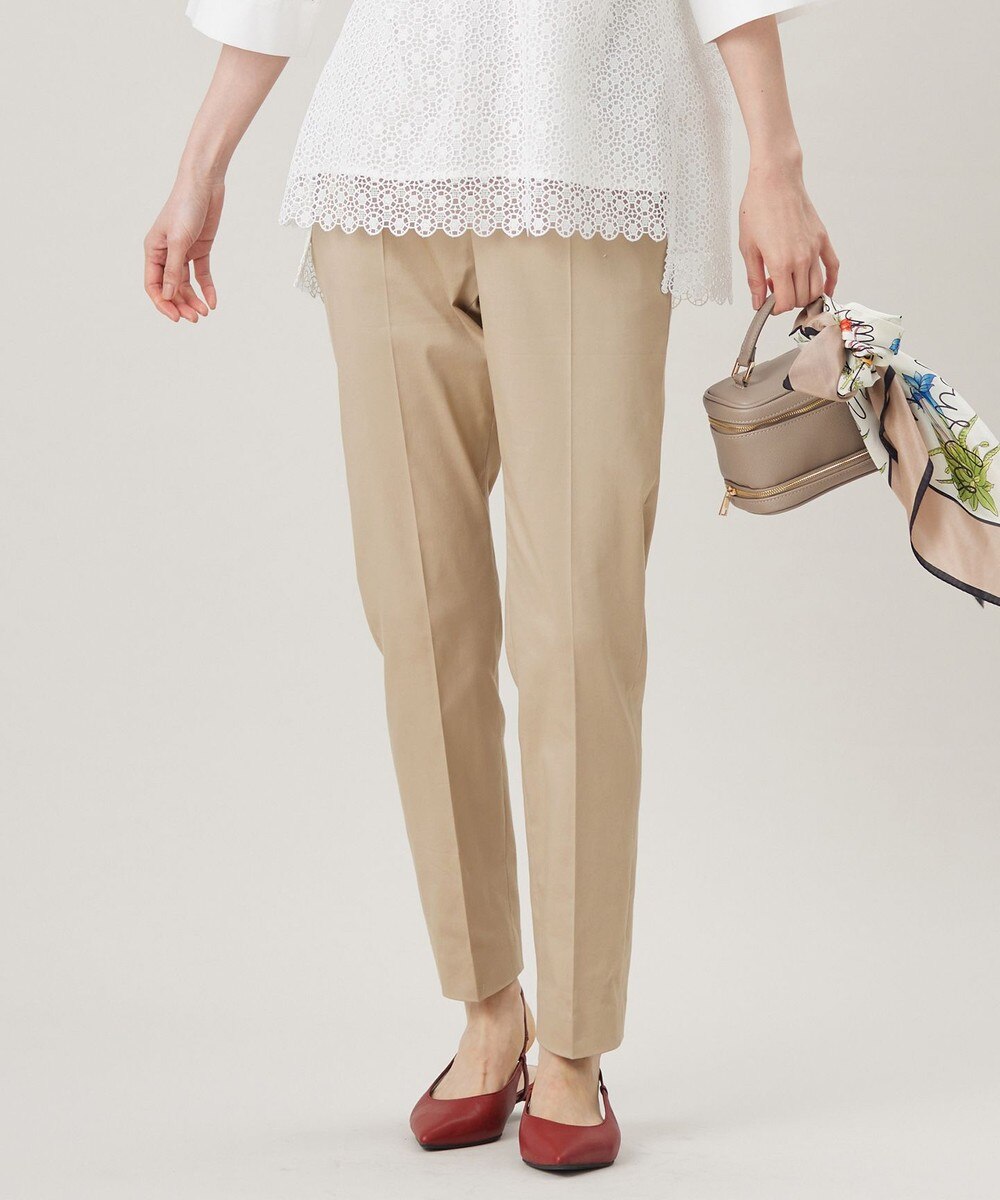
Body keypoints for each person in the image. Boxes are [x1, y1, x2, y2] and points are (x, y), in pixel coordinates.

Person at [144, 0, 839, 1172]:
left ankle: (573, 1040)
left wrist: (776, 160)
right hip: (379, 174)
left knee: (578, 629)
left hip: (585, 159)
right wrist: (197, 168)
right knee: (418, 618)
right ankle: (485, 1010)